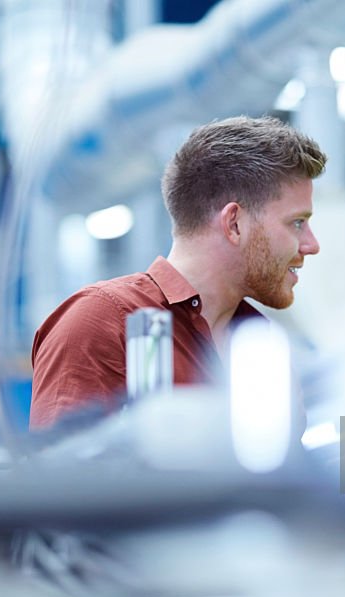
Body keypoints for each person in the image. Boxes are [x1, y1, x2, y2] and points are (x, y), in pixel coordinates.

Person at [30, 116, 327, 428]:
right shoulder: (102, 321)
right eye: (297, 223)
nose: (312, 244)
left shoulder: (262, 345)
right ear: (234, 224)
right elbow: (59, 469)